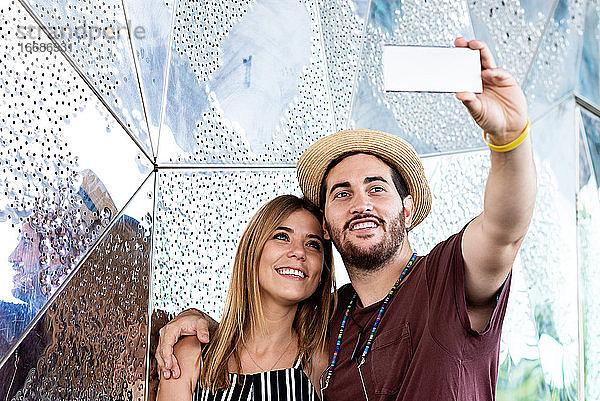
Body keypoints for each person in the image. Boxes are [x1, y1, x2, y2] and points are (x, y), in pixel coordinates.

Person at [156, 37, 536, 400]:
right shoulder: (328, 324)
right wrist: (199, 323)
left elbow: (503, 229)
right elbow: (259, 332)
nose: (361, 204)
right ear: (326, 221)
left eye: (376, 189)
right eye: (342, 193)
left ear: (406, 208)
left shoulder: (444, 278)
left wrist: (509, 139)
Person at [156, 195, 335, 401]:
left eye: (313, 244)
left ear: (322, 270)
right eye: (282, 237)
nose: (299, 252)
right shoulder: (190, 354)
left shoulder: (324, 362)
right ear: (252, 251)